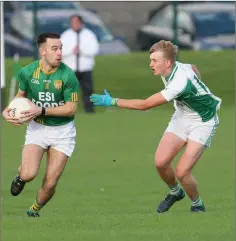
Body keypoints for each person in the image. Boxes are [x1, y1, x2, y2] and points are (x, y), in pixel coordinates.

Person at [90, 40, 222, 213]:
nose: (150, 64)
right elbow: (193, 67)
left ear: (167, 62)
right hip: (182, 116)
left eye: (154, 61)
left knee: (182, 172)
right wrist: (197, 89)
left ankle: (197, 205)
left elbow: (145, 105)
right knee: (160, 163)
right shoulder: (173, 67)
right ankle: (175, 192)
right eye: (151, 60)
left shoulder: (179, 82)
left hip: (203, 122)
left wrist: (113, 101)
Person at [2, 32, 80, 217]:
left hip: (63, 132)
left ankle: (34, 210)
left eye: (60, 48)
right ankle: (21, 177)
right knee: (29, 174)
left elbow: (70, 109)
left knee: (51, 182)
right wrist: (8, 110)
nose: (59, 52)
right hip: (37, 128)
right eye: (54, 48)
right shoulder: (27, 72)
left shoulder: (68, 75)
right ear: (42, 51)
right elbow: (20, 97)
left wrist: (41, 110)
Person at [61, 14, 99, 113]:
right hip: (70, 69)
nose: (75, 24)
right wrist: (71, 51)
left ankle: (90, 110)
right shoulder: (66, 35)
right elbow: (60, 50)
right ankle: (67, 111)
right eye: (73, 22)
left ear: (81, 23)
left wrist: (81, 51)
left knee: (88, 90)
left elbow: (94, 49)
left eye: (77, 22)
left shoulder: (89, 35)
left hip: (85, 68)